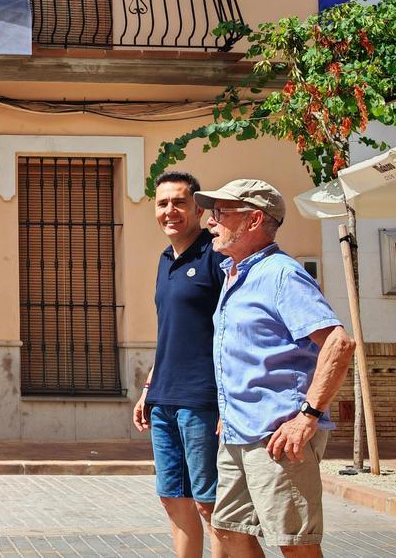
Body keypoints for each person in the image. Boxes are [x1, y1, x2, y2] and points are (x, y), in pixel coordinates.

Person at [196, 179, 356, 557]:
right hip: (238, 430)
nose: (210, 221)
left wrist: (308, 416)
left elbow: (339, 343)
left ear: (253, 220)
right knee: (229, 529)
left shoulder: (282, 274)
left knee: (293, 542)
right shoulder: (235, 273)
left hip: (277, 435)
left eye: (220, 212)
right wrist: (228, 409)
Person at [133, 171, 226, 558]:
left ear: (198, 209)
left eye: (179, 202)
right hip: (164, 399)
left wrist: (228, 401)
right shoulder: (164, 260)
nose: (169, 210)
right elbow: (171, 333)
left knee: (211, 504)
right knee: (173, 498)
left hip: (203, 401)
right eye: (162, 203)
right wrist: (148, 388)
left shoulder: (216, 255)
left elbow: (233, 330)